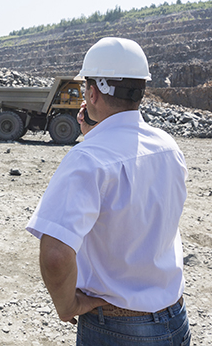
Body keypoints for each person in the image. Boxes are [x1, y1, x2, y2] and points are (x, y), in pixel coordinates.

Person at [26, 37, 191, 345]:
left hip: (117, 329)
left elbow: (56, 255)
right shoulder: (168, 147)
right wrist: (96, 136)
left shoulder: (87, 160)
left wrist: (67, 305)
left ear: (92, 92)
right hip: (175, 321)